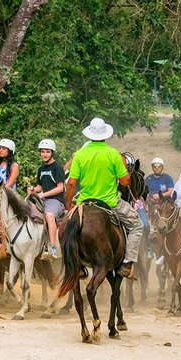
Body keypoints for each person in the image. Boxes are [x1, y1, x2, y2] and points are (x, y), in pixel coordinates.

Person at [65, 117, 143, 279]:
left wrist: (68, 206)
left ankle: (75, 263)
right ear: (105, 135)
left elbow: (71, 183)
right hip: (110, 202)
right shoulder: (114, 154)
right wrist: (123, 166)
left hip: (84, 202)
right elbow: (125, 181)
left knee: (64, 227)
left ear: (89, 135)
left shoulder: (80, 154)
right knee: (137, 225)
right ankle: (127, 263)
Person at [28, 139, 65, 259]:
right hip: (43, 199)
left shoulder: (57, 168)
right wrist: (33, 190)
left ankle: (52, 246)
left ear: (52, 153)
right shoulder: (41, 169)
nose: (45, 154)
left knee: (49, 215)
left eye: (47, 152)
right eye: (43, 152)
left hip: (56, 200)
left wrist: (43, 195)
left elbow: (60, 188)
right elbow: (40, 187)